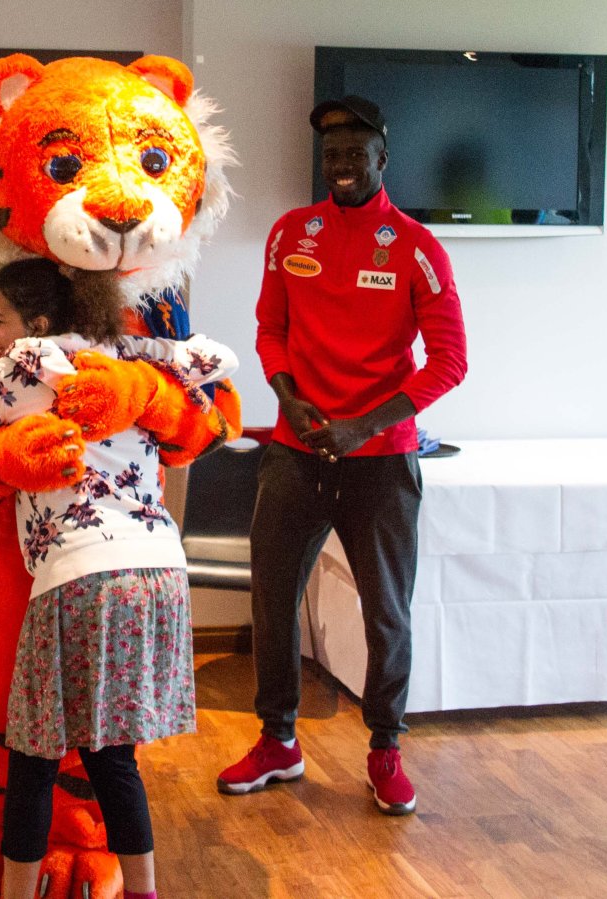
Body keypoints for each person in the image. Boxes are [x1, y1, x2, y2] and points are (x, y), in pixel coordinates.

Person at [0, 258, 238, 899]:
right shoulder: (129, 352)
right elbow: (217, 366)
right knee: (112, 755)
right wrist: (145, 386)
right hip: (158, 572)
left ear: (38, 323)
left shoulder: (27, 365)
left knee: (33, 756)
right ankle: (145, 892)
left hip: (79, 576)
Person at [218, 95, 467, 816]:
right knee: (272, 602)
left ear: (383, 158)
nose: (343, 166)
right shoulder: (291, 233)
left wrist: (364, 426)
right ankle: (278, 740)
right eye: (332, 155)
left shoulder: (417, 247)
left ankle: (385, 749)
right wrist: (286, 395)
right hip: (295, 453)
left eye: (357, 153)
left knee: (387, 614)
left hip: (380, 462)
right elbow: (270, 329)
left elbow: (449, 361)